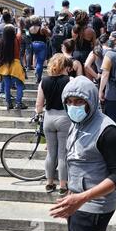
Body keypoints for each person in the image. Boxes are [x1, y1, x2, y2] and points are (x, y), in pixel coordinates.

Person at [50, 76, 116, 231]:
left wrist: (82, 197)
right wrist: (72, 189)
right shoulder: (77, 123)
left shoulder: (108, 131)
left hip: (95, 204)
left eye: (78, 101)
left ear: (90, 101)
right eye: (69, 102)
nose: (73, 106)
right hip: (78, 199)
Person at [35, 54, 73, 195]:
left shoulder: (43, 81)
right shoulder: (70, 80)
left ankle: (49, 183)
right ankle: (63, 185)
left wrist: (39, 113)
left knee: (51, 154)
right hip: (64, 118)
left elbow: (39, 105)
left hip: (49, 118)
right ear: (65, 66)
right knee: (63, 154)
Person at [0, 25, 28, 110]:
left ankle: (8, 103)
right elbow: (19, 32)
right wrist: (18, 26)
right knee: (19, 84)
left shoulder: (1, 42)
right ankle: (18, 103)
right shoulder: (17, 39)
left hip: (4, 65)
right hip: (16, 64)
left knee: (7, 85)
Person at [29, 15, 51, 84]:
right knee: (40, 62)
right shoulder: (41, 28)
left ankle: (36, 72)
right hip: (41, 44)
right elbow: (49, 34)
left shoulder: (30, 28)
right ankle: (38, 78)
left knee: (36, 59)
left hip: (33, 44)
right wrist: (46, 27)